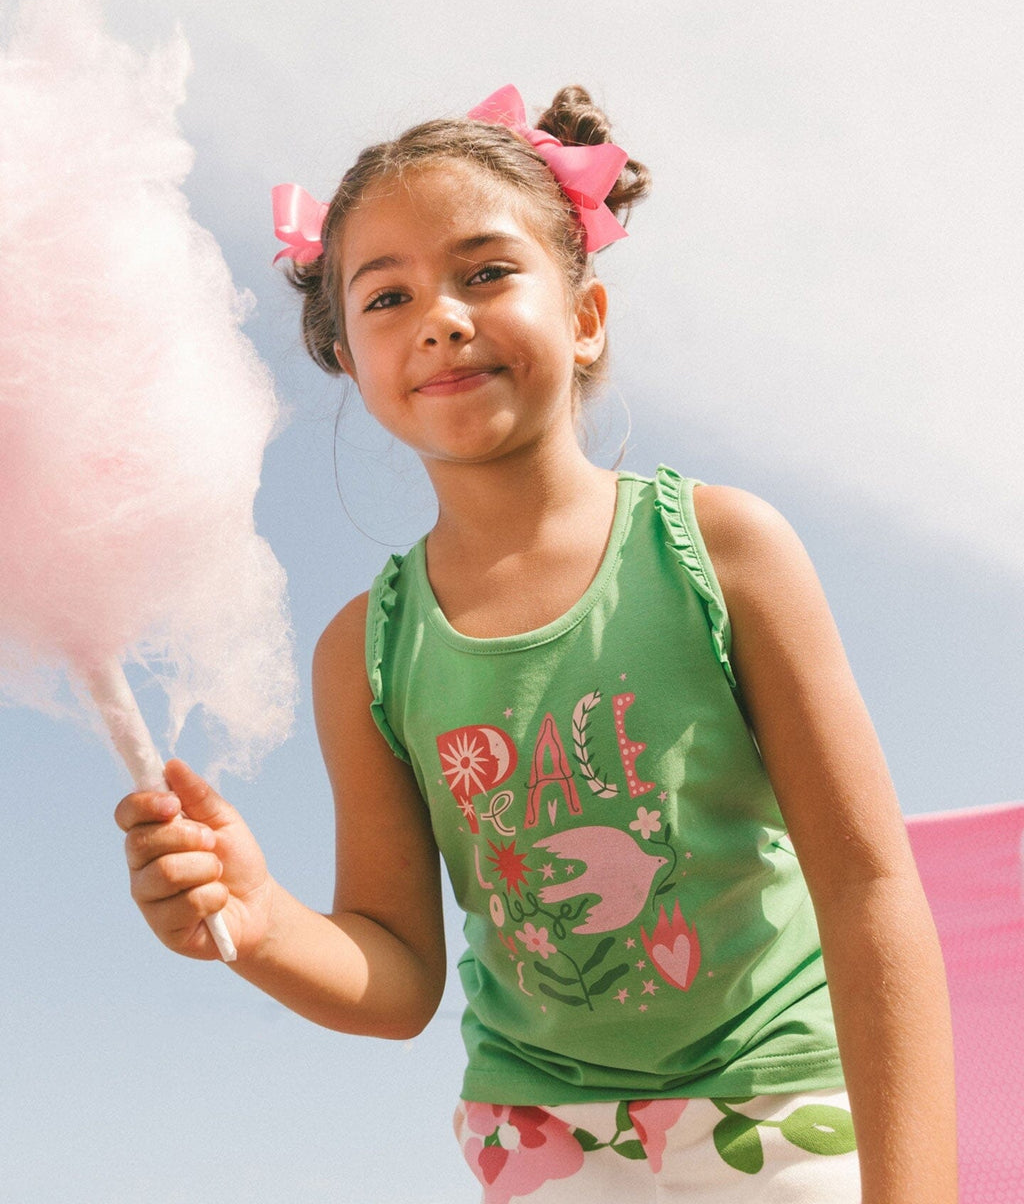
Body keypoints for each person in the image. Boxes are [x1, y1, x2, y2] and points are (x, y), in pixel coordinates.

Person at [115, 84, 957, 1203]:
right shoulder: (364, 651)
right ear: (351, 363)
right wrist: (260, 921)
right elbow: (398, 975)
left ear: (586, 315)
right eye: (387, 296)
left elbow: (866, 887)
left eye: (485, 273)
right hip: (542, 1134)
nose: (439, 317)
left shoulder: (723, 550)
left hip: (781, 1101)